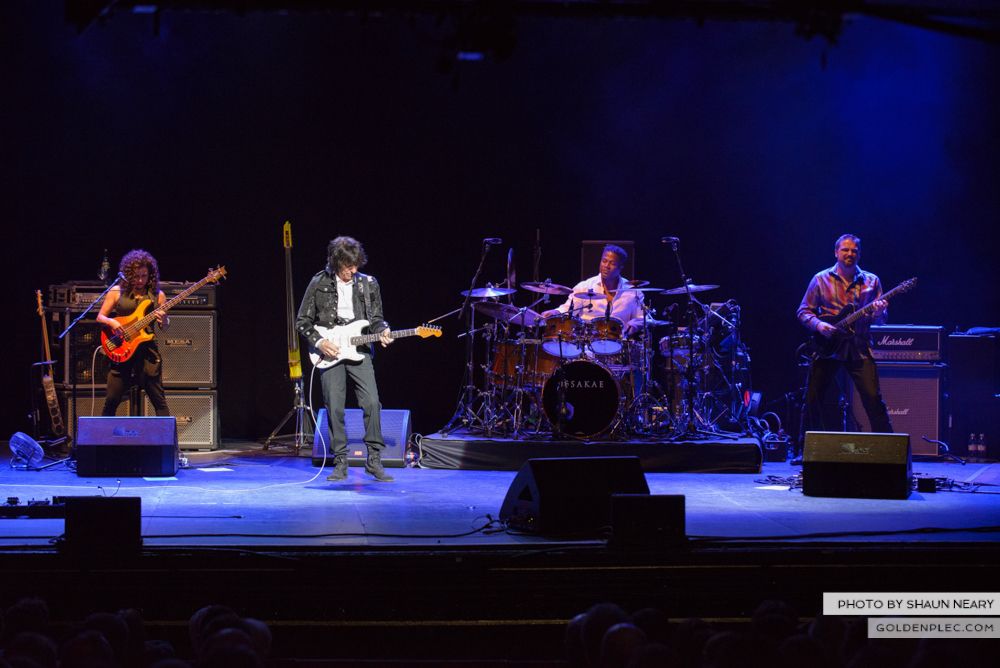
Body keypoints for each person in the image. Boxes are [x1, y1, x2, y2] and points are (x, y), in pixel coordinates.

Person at [296, 236, 394, 482]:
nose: (353, 270)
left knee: (372, 402)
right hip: (329, 350)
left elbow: (376, 319)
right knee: (334, 405)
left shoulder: (368, 283)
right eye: (348, 266)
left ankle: (374, 459)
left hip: (359, 348)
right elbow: (302, 321)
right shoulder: (318, 282)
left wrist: (383, 330)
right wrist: (320, 342)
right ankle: (340, 460)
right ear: (336, 262)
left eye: (356, 265)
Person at [797, 234, 892, 434]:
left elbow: (881, 320)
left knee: (873, 399)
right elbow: (803, 311)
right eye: (845, 250)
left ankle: (889, 446)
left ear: (859, 254)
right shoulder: (820, 279)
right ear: (836, 252)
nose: (850, 254)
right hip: (827, 349)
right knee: (813, 400)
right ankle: (805, 446)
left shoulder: (872, 281)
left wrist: (879, 312)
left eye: (854, 251)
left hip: (859, 348)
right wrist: (819, 325)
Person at [96, 249, 170, 417]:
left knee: (159, 401)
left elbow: (164, 327)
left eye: (144, 276)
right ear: (128, 274)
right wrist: (112, 322)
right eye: (136, 276)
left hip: (146, 353)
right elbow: (100, 317)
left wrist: (165, 320)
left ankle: (167, 435)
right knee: (111, 401)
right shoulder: (116, 291)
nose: (140, 280)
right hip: (122, 349)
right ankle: (104, 435)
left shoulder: (158, 296)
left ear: (150, 275)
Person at [541, 244, 645, 334]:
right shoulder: (584, 286)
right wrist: (555, 312)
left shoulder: (633, 292)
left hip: (620, 343)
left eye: (612, 263)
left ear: (621, 267)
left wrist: (630, 328)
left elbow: (641, 318)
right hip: (587, 344)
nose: (606, 266)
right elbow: (567, 309)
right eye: (604, 261)